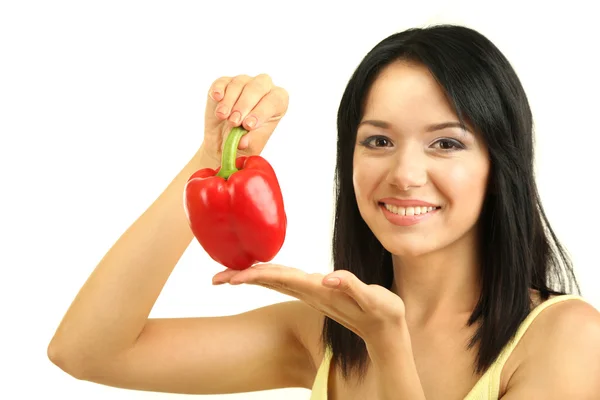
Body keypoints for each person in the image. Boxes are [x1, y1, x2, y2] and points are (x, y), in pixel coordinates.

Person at [48, 24, 600, 399]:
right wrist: (216, 157)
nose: (405, 174)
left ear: (499, 166)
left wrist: (389, 347)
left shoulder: (566, 339)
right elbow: (87, 351)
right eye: (378, 141)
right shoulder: (325, 333)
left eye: (446, 143)